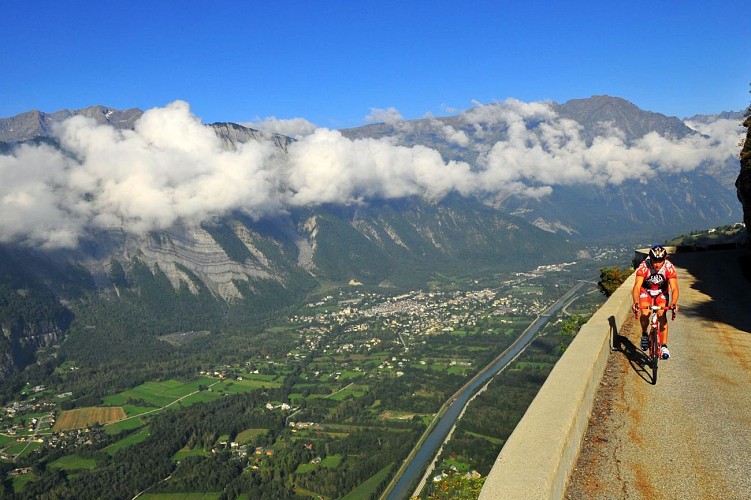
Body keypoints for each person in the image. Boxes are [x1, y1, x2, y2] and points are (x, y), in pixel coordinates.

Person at [631, 245, 680, 359]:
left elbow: (674, 288)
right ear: (650, 259)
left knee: (661, 315)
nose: (657, 264)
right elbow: (637, 286)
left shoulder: (669, 267)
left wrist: (673, 303)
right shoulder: (644, 266)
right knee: (645, 313)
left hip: (661, 292)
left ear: (664, 259)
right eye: (654, 261)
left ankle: (663, 345)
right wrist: (635, 302)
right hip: (646, 291)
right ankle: (644, 334)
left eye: (660, 261)